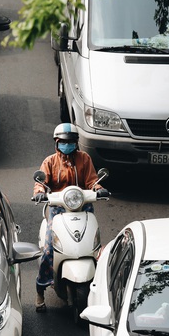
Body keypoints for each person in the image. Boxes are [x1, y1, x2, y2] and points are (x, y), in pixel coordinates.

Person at [32, 123, 109, 312]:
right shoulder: (49, 162)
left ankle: (101, 284)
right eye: (63, 142)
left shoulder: (84, 159)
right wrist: (40, 191)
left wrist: (98, 188)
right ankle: (41, 289)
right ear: (57, 143)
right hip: (58, 206)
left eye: (71, 142)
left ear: (76, 143)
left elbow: (91, 180)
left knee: (95, 245)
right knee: (49, 249)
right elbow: (41, 183)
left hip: (82, 204)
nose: (68, 145)